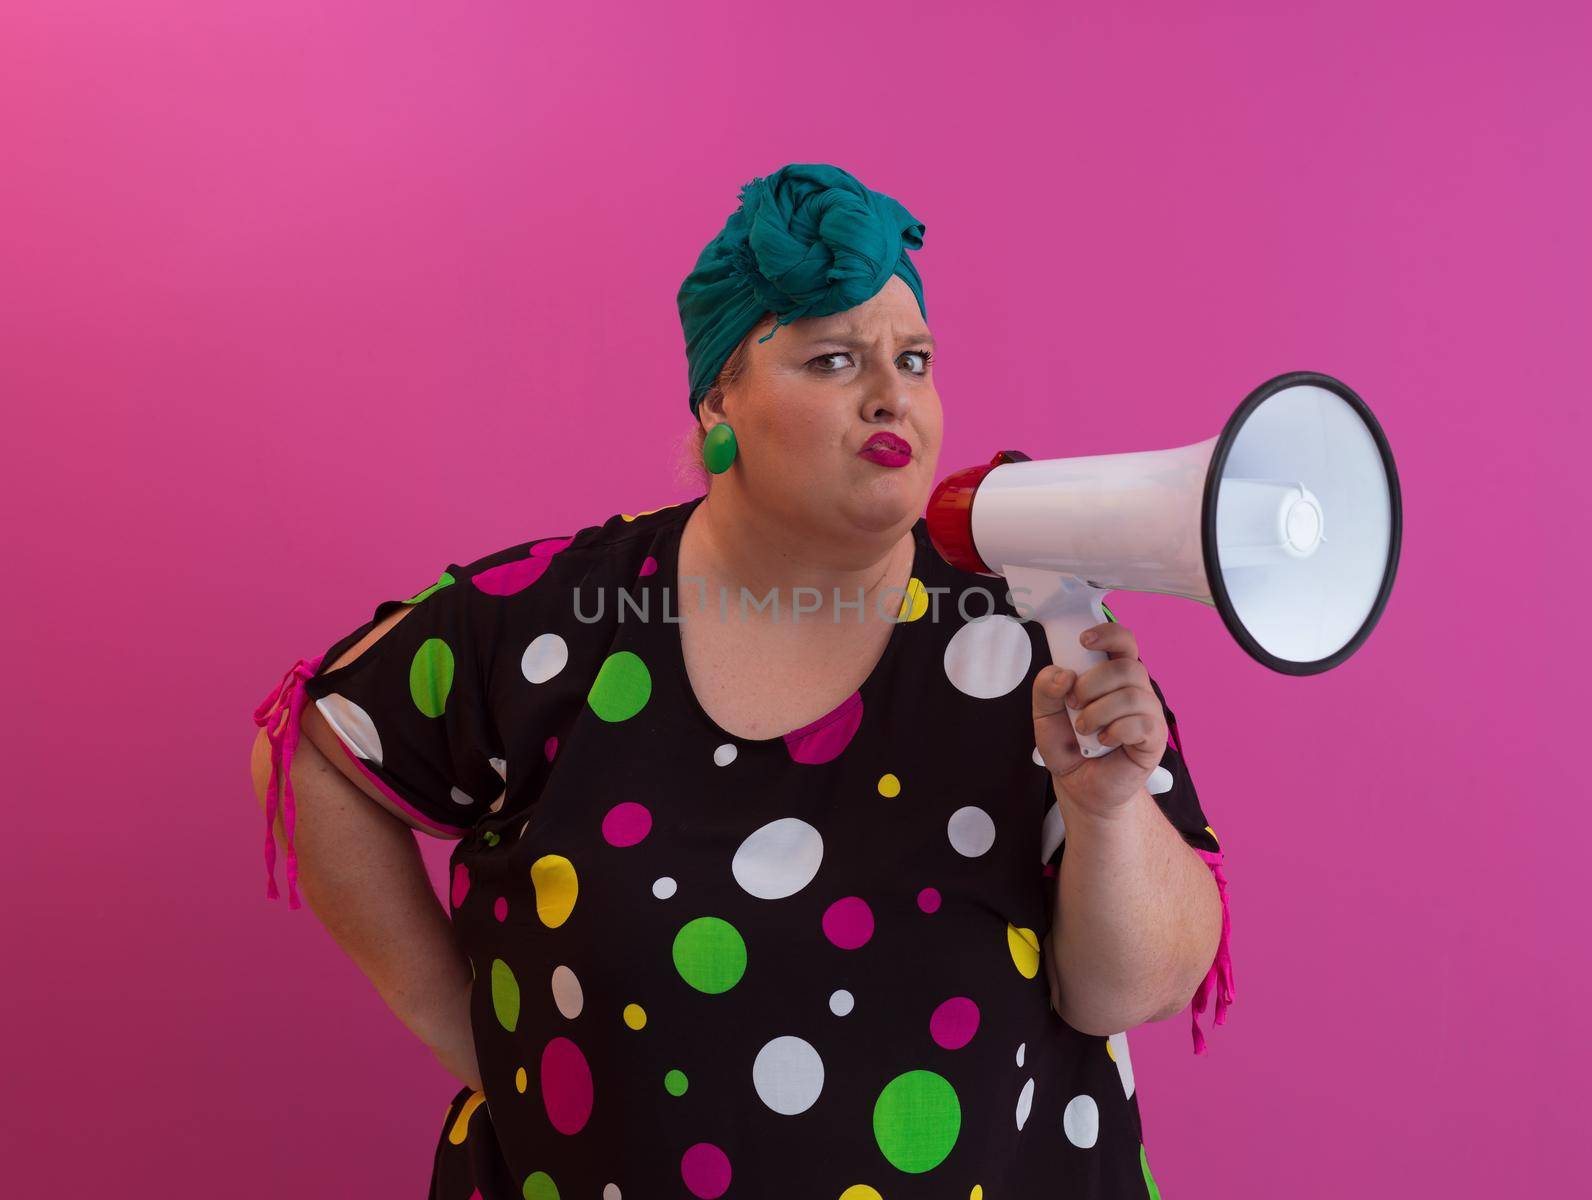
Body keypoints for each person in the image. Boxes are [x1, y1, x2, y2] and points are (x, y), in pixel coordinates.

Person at [250, 162, 1232, 1200]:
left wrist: (1108, 811)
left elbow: (1137, 987)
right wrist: (463, 1026)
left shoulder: (1029, 625)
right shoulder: (552, 621)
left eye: (913, 358)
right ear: (720, 394)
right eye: (831, 359)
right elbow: (320, 744)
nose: (890, 393)